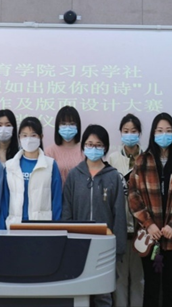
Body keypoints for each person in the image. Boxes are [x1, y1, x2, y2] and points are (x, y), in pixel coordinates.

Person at [128, 113, 172, 307]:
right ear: (153, 134)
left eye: (168, 131)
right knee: (151, 286)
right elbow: (133, 196)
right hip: (150, 236)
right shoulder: (142, 161)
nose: (163, 134)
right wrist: (149, 224)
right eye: (159, 130)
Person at [62, 124, 127, 307]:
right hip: (78, 244)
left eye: (98, 145)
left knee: (103, 295)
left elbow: (119, 214)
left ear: (105, 147)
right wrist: (67, 241)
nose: (94, 148)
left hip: (104, 247)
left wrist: (118, 249)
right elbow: (67, 211)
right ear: (83, 146)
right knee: (79, 293)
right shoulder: (74, 175)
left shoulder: (113, 176)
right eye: (90, 144)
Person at [107, 113, 144, 307]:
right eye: (126, 131)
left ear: (139, 133)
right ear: (120, 133)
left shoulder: (147, 158)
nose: (130, 135)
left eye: (133, 131)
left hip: (142, 230)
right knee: (119, 278)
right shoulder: (112, 159)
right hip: (119, 229)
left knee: (138, 278)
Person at [0, 116, 62, 228]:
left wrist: (56, 228)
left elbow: (56, 201)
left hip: (42, 226)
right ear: (19, 137)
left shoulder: (51, 165)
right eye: (24, 135)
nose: (28, 139)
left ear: (41, 137)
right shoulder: (10, 166)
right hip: (14, 226)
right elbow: (4, 202)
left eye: (33, 135)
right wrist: (2, 230)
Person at [45, 106, 84, 186]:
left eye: (72, 124)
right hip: (57, 193)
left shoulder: (85, 150)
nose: (68, 128)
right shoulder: (49, 151)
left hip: (80, 193)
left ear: (78, 126)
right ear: (57, 126)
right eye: (63, 124)